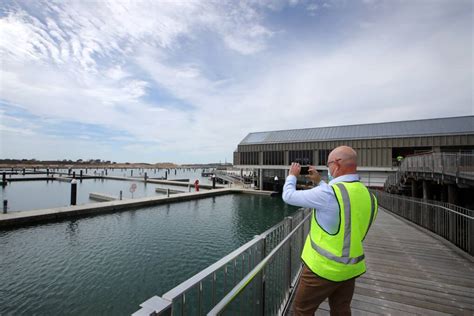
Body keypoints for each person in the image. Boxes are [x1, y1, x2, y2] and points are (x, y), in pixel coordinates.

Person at [282, 146, 378, 315]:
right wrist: (319, 181)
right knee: (341, 310)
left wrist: (292, 176)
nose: (328, 169)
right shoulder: (369, 196)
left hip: (322, 269)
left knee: (301, 311)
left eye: (328, 164)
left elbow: (288, 196)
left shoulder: (328, 193)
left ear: (337, 164)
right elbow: (344, 211)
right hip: (350, 268)